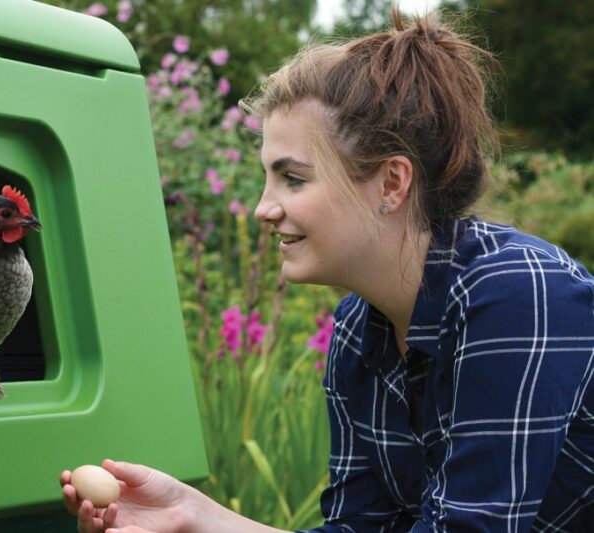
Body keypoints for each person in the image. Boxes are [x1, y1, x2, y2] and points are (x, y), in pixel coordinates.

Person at [59, 9, 594, 533]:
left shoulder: (518, 293)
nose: (264, 208)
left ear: (391, 183)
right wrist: (195, 516)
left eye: (292, 178)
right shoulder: (359, 332)